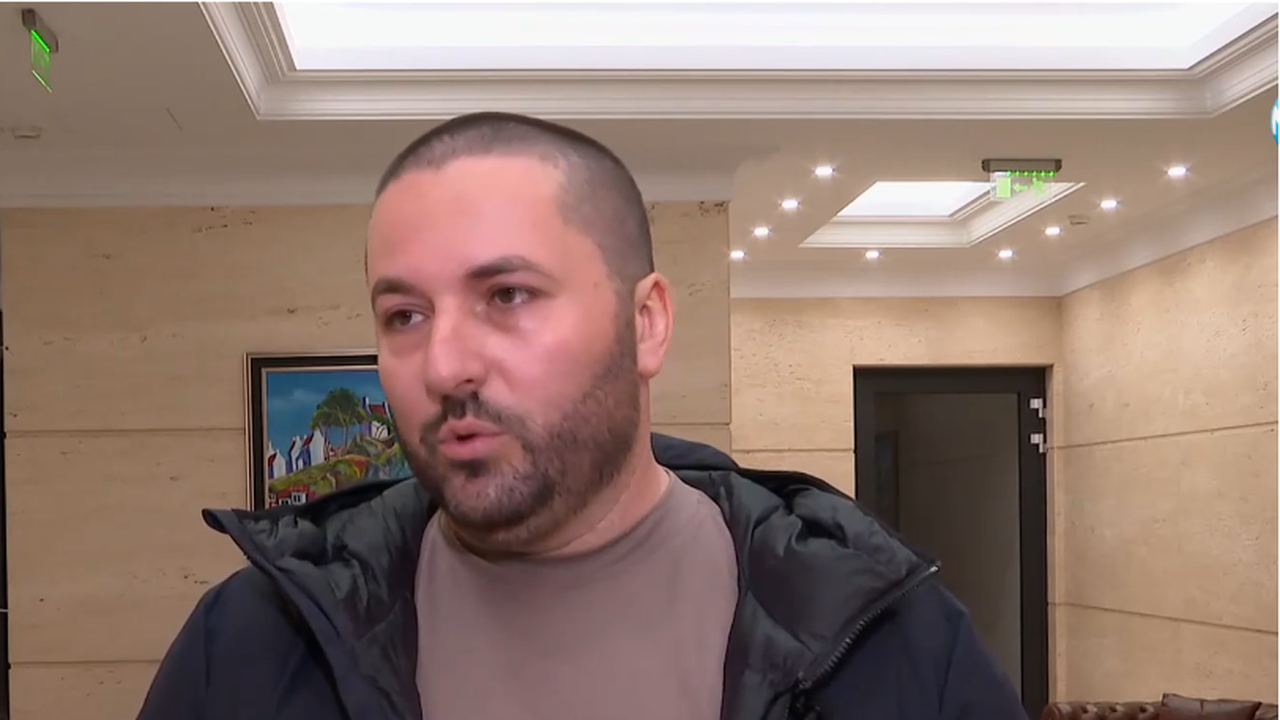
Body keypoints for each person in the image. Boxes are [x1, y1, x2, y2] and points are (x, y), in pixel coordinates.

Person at [137, 112, 1026, 720]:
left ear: (647, 324)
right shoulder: (251, 645)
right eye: (404, 315)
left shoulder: (887, 642)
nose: (444, 364)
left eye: (508, 295)